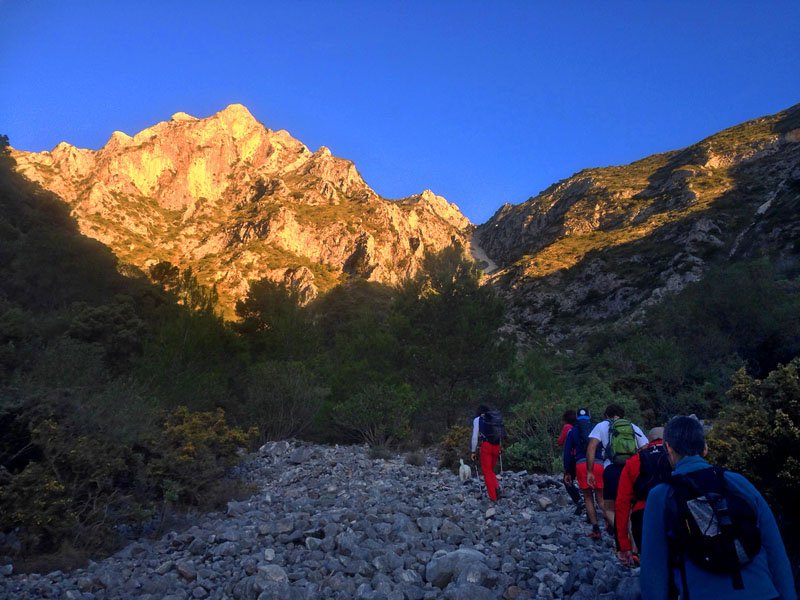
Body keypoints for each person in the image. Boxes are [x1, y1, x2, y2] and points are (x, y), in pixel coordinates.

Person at [641, 415, 796, 600]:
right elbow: (775, 550)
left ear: (668, 448)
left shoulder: (662, 495)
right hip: (765, 593)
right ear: (705, 448)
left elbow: (653, 570)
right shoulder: (739, 483)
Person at [586, 404, 648, 543]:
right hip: (632, 469)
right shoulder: (632, 426)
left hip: (612, 469)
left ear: (606, 415)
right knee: (631, 506)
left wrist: (589, 471)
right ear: (622, 415)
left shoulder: (601, 426)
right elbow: (645, 447)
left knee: (609, 508)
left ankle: (623, 534)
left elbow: (591, 447)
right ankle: (634, 544)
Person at [615, 426, 670, 567]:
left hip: (643, 515)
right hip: (672, 511)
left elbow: (622, 503)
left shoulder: (634, 461)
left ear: (648, 440)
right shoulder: (675, 455)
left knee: (651, 563)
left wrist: (623, 545)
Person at [563, 407, 605, 539]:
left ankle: (596, 528)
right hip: (598, 464)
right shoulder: (597, 429)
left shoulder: (572, 431)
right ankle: (612, 523)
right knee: (601, 498)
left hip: (581, 465)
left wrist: (568, 471)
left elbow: (567, 453)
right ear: (589, 416)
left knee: (588, 497)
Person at [470, 404, 505, 501]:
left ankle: (493, 496)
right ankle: (496, 488)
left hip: (486, 446)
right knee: (491, 470)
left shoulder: (477, 420)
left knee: (487, 471)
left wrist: (473, 451)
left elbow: (474, 437)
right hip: (497, 446)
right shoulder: (494, 418)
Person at [558, 409, 583, 514]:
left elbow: (560, 441)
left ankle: (578, 501)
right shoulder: (581, 427)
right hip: (583, 458)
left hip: (572, 457)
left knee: (567, 480)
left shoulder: (567, 427)